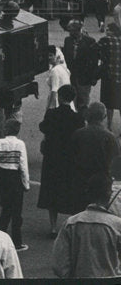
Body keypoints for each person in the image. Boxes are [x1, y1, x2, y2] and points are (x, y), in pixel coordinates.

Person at [51, 173, 121, 279]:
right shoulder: (117, 225)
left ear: (88, 193)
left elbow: (59, 264)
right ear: (108, 194)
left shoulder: (71, 223)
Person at [38, 83, 86, 236]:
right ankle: (70, 226)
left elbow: (43, 127)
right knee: (70, 191)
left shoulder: (51, 114)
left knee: (52, 191)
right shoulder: (77, 118)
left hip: (52, 157)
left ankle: (53, 226)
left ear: (59, 97)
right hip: (70, 158)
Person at [0, 118, 30, 251]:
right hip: (16, 178)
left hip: (3, 178)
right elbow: (23, 166)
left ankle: (1, 239)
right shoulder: (20, 144)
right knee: (17, 211)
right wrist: (26, 184)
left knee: (5, 208)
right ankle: (17, 242)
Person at [70, 101, 121, 212]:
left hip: (81, 180)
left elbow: (71, 157)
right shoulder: (110, 137)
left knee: (80, 211)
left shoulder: (78, 134)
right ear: (104, 116)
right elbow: (116, 161)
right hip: (102, 182)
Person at [63, 18, 101, 109]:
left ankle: (83, 120)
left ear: (78, 30)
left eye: (72, 31)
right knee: (71, 100)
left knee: (83, 101)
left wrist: (94, 77)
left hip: (85, 77)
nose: (70, 33)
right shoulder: (67, 40)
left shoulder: (90, 41)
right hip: (71, 76)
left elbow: (95, 60)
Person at [99, 22, 121, 131]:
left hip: (109, 77)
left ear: (113, 31)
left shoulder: (105, 41)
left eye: (108, 29)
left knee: (109, 103)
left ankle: (109, 125)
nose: (106, 31)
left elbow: (94, 49)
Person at [46, 46, 71, 110]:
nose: (49, 58)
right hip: (66, 101)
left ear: (56, 56)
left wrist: (49, 108)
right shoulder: (63, 68)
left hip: (57, 102)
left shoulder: (55, 70)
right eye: (47, 55)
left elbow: (54, 90)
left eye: (51, 55)